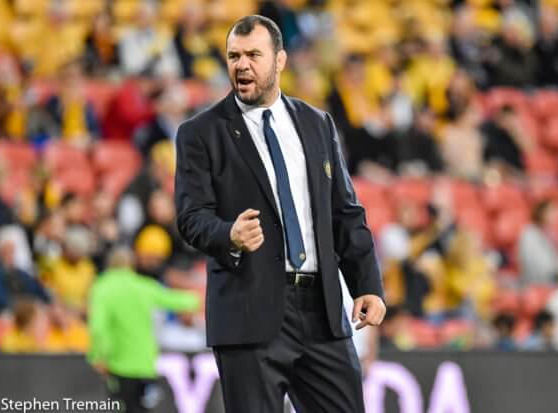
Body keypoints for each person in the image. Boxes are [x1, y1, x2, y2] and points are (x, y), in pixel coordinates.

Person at [174, 15, 385, 413]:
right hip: (248, 312)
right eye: (234, 56)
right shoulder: (201, 133)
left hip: (322, 311)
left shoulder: (317, 123)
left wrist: (367, 284)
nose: (242, 65)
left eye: (254, 54)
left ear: (280, 60)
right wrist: (228, 234)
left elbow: (344, 211)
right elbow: (190, 216)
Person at [88, 246, 200, 413]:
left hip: (118, 364)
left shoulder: (102, 287)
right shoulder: (144, 286)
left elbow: (98, 326)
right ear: (131, 265)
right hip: (145, 364)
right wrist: (201, 295)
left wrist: (98, 355)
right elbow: (182, 301)